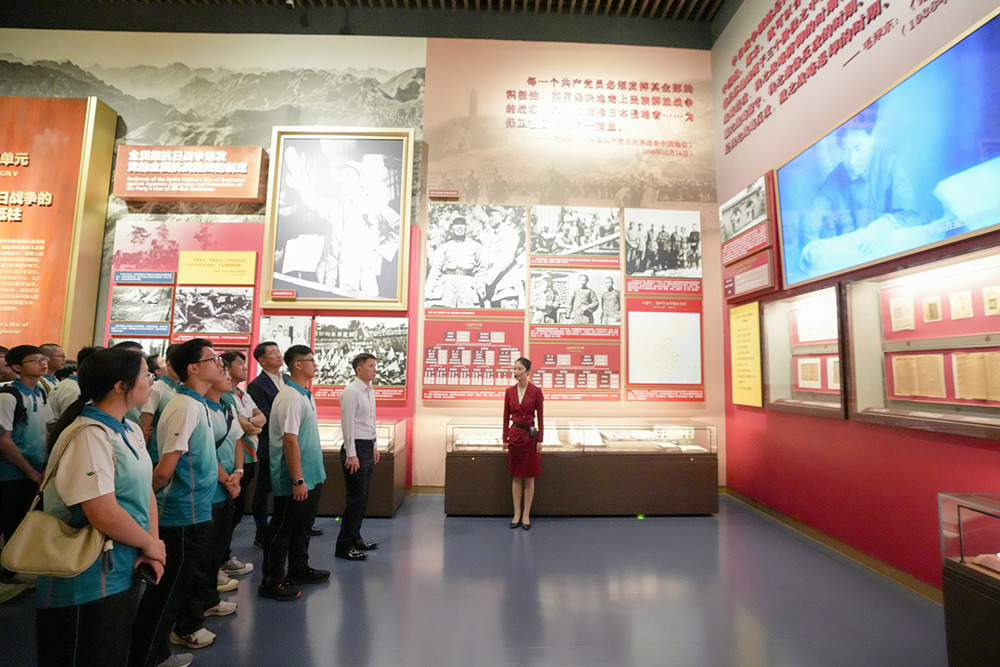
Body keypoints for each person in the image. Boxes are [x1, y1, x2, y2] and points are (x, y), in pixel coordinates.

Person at [34, 347, 166, 667]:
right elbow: (102, 512)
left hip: (123, 564)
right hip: (86, 576)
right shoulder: (89, 435)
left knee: (113, 651)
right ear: (120, 386)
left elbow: (145, 490)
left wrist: (152, 545)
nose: (151, 381)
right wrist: (149, 543)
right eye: (145, 376)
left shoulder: (128, 429)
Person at [130, 338, 223, 666]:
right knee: (167, 592)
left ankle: (154, 651)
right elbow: (165, 470)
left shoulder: (197, 403)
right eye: (212, 359)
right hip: (181, 514)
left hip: (195, 509)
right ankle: (148, 657)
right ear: (193, 368)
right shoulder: (184, 407)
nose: (220, 364)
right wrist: (149, 503)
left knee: (177, 588)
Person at [799, 103, 920, 271]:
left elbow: (911, 216)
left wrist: (883, 225)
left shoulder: (890, 162)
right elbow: (812, 215)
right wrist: (809, 248)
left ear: (871, 139)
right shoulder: (835, 177)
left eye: (858, 148)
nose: (851, 160)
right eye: (845, 151)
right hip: (855, 267)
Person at [259, 345, 328, 601]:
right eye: (311, 360)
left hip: (312, 475)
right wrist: (298, 479)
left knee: (302, 526)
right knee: (282, 529)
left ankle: (299, 568)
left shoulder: (304, 394)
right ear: (297, 364)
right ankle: (272, 580)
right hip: (294, 478)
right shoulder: (290, 397)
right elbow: (289, 441)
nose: (315, 365)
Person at [0, 346, 53, 581]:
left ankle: (13, 569)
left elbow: (48, 430)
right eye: (34, 360)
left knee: (25, 522)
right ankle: (7, 572)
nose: (42, 363)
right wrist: (30, 471)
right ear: (16, 367)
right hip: (10, 473)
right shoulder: (8, 396)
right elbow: (4, 441)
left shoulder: (40, 392)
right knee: (9, 521)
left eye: (43, 359)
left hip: (36, 471)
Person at [202, 364, 245, 611]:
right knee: (206, 548)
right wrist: (227, 479)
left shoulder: (227, 407)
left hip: (229, 485)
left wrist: (238, 473)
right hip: (213, 489)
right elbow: (206, 449)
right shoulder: (200, 409)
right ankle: (204, 600)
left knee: (220, 543)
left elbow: (237, 440)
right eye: (222, 373)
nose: (227, 377)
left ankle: (211, 598)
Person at [219, 351, 264, 575]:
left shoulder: (242, 394)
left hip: (249, 458)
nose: (244, 367)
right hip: (237, 461)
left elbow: (261, 419)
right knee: (228, 514)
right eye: (239, 363)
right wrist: (251, 424)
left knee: (236, 512)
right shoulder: (225, 397)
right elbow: (244, 427)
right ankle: (221, 559)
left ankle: (223, 556)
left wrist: (250, 422)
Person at [247, 341, 293, 548]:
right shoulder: (257, 385)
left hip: (289, 441)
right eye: (272, 353)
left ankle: (287, 526)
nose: (278, 355)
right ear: (262, 360)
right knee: (264, 489)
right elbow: (265, 415)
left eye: (278, 351)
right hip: (269, 443)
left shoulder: (289, 379)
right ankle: (261, 532)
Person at [337, 353, 380, 561]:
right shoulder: (351, 392)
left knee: (363, 498)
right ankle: (343, 545)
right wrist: (351, 454)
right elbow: (348, 425)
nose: (375, 370)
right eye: (370, 366)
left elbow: (371, 420)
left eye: (375, 366)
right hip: (355, 448)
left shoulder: (369, 390)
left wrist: (375, 445)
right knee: (355, 499)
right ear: (359, 369)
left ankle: (355, 537)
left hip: (367, 446)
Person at [502, 357, 543, 530]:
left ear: (528, 372)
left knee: (529, 477)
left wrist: (540, 439)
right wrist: (504, 438)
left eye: (519, 369)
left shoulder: (536, 391)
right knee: (516, 477)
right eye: (515, 369)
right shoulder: (509, 392)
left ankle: (526, 514)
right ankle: (516, 513)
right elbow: (505, 416)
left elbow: (541, 417)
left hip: (530, 438)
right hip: (515, 436)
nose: (516, 372)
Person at [425, 216, 486, 308]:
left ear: (466, 227)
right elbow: (435, 272)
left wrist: (480, 286)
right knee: (446, 314)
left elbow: (482, 270)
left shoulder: (476, 247)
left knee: (467, 314)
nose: (459, 227)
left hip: (468, 289)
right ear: (452, 227)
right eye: (456, 224)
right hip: (447, 289)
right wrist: (427, 295)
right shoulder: (444, 247)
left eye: (462, 224)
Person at [138, 343, 181, 466]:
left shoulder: (182, 388)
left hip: (177, 455)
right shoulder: (157, 389)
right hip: (157, 456)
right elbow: (145, 427)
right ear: (169, 364)